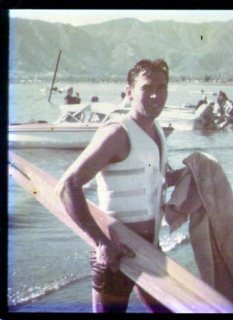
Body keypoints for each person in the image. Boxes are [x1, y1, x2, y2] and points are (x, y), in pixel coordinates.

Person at [56, 59, 176, 313]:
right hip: (115, 253)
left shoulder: (156, 130)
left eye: (162, 87)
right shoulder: (117, 133)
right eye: (147, 87)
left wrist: (202, 172)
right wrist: (101, 242)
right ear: (129, 92)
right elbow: (69, 185)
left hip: (150, 247)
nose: (156, 95)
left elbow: (158, 180)